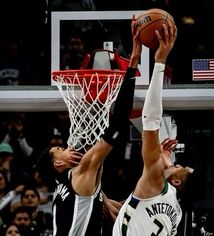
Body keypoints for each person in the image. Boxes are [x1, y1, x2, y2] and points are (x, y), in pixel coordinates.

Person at [42, 16, 141, 236]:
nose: (65, 147)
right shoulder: (80, 174)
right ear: (58, 163)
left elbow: (112, 207)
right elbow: (117, 125)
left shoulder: (67, 187)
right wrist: (132, 63)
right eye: (59, 149)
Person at [112, 21, 194, 236]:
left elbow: (150, 121)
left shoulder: (154, 184)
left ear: (175, 180)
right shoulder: (176, 213)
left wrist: (159, 62)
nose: (177, 162)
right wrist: (167, 163)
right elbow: (130, 216)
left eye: (180, 166)